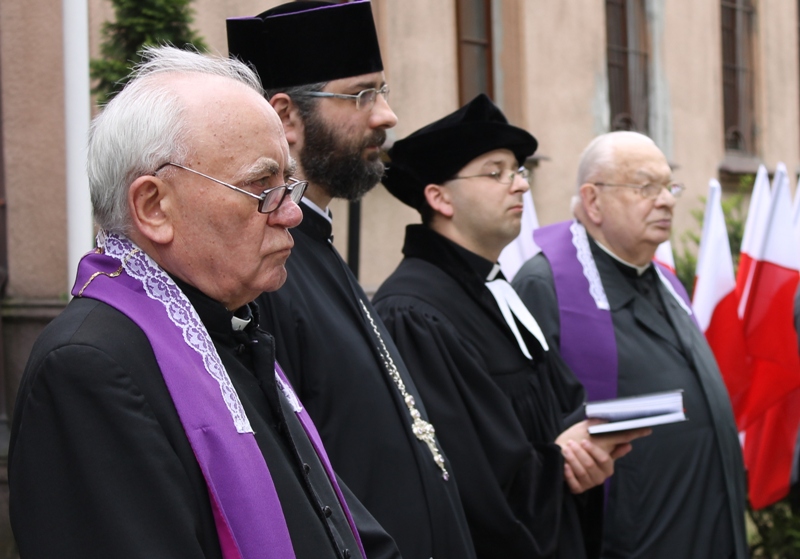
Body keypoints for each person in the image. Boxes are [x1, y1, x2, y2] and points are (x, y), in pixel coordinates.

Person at [8, 46, 401, 559]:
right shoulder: (89, 367)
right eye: (262, 188)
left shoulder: (231, 329)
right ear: (153, 207)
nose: (291, 215)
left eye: (289, 184)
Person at [227, 2, 476, 558]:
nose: (386, 116)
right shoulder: (264, 274)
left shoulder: (316, 246)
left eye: (383, 92)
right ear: (286, 117)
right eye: (363, 94)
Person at [373, 94, 648, 559]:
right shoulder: (412, 313)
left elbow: (561, 401)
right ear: (439, 198)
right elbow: (465, 477)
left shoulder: (496, 285)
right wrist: (559, 462)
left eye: (518, 170)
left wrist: (586, 446)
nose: (520, 185)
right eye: (495, 172)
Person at [512, 131, 748, 559]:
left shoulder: (664, 279)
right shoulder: (545, 286)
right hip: (634, 541)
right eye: (645, 187)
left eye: (668, 186)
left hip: (709, 528)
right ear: (593, 200)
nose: (666, 201)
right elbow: (532, 435)